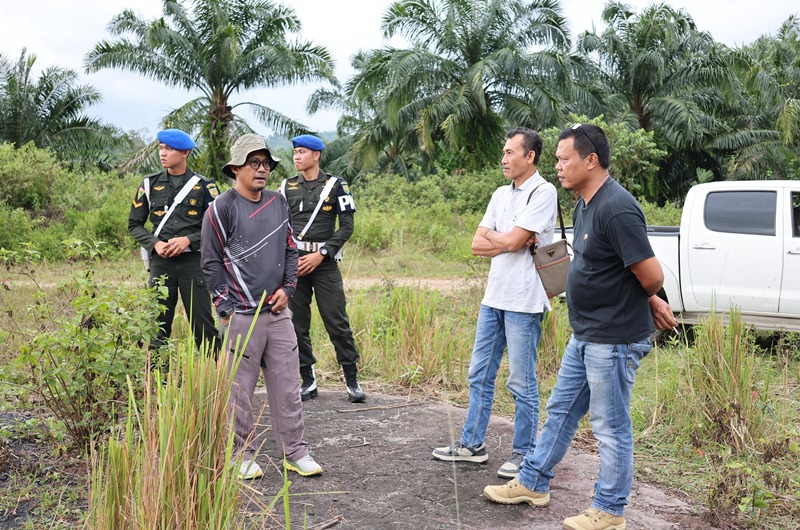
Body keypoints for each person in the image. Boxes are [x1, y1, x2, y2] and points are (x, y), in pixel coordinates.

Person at [483, 123, 678, 530]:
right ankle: (533, 482)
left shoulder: (617, 207)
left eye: (564, 159)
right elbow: (610, 265)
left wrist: (650, 296)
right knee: (560, 411)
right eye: (555, 159)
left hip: (614, 337)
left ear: (591, 160)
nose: (557, 166)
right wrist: (645, 296)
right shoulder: (585, 203)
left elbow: (651, 274)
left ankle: (609, 510)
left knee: (610, 426)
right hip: (586, 332)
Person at [431, 127, 557, 479]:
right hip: (494, 297)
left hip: (524, 300)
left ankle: (525, 452)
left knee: (521, 381)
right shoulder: (501, 194)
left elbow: (515, 241)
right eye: (503, 152)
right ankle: (472, 444)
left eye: (510, 152)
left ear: (529, 156)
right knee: (479, 374)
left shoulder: (543, 192)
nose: (503, 159)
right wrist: (509, 239)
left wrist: (502, 238)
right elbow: (478, 243)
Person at [200, 133, 322, 480]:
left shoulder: (278, 203)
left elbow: (289, 249)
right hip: (241, 315)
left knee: (287, 385)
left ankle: (296, 452)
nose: (262, 169)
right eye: (254, 163)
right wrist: (226, 309)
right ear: (236, 168)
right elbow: (210, 263)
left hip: (278, 312)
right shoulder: (220, 209)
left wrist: (288, 288)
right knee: (239, 390)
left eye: (266, 163)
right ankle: (240, 454)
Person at [279, 134, 365, 403]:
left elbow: (347, 227)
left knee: (337, 321)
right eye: (295, 152)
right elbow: (280, 225)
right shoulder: (286, 186)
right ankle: (308, 380)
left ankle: (351, 381)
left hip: (324, 264)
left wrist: (322, 253)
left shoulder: (336, 185)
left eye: (302, 152)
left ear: (316, 155)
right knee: (296, 324)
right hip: (296, 264)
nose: (296, 157)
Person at [128, 128, 219, 355]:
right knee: (158, 327)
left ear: (185, 152)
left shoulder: (205, 186)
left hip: (193, 264)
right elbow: (134, 225)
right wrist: (155, 244)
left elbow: (217, 227)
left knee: (203, 326)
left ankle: (216, 381)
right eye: (161, 148)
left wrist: (188, 240)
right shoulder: (148, 184)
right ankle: (159, 384)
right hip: (161, 263)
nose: (163, 153)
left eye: (169, 149)